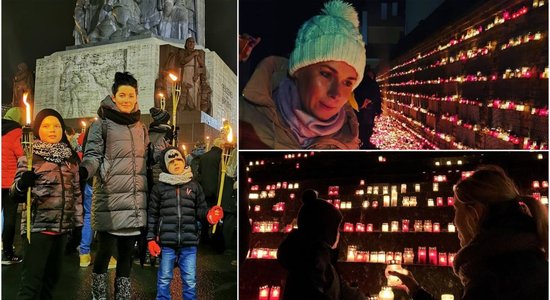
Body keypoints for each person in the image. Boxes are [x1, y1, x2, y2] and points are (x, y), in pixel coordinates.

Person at [390, 165, 549, 300]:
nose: (454, 221)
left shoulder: (489, 279)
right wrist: (415, 290)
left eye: (456, 210)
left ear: (475, 213)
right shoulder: (527, 259)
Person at [239, 0, 365, 149]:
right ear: (298, 70)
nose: (336, 94)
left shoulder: (349, 141)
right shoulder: (243, 118)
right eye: (326, 74)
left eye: (348, 82)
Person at [80, 71, 149, 299]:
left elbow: (147, 159)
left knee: (127, 256)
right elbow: (92, 155)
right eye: (122, 94)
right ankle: (98, 295)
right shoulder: (102, 125)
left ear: (136, 96)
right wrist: (85, 170)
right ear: (114, 96)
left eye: (131, 95)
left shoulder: (141, 127)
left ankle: (123, 296)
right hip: (110, 198)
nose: (127, 99)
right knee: (103, 254)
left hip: (133, 201)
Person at [10, 109, 83, 300]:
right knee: (31, 285)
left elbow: (76, 193)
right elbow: (14, 193)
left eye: (57, 125)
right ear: (37, 130)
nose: (52, 129)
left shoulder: (70, 159)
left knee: (51, 282)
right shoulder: (29, 157)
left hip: (61, 231)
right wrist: (22, 184)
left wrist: (78, 226)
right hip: (37, 230)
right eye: (46, 125)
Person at [147, 147, 223, 300]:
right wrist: (150, 239)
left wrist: (209, 215)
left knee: (189, 281)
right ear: (165, 166)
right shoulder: (159, 188)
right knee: (164, 279)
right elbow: (153, 215)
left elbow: (200, 209)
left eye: (179, 160)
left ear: (184, 161)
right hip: (166, 243)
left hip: (189, 242)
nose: (176, 163)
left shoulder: (193, 186)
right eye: (172, 161)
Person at [277, 189, 366, 299]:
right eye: (337, 229)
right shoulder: (314, 263)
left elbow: (341, 289)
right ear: (327, 231)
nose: (339, 234)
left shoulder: (319, 258)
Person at [1, 107, 25, 265]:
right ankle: (7, 253)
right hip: (9, 182)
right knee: (10, 218)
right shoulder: (17, 133)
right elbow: (22, 155)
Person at [354, 66, 381, 149]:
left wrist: (360, 104)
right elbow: (377, 97)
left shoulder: (358, 83)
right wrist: (378, 109)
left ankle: (360, 142)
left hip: (360, 109)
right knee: (367, 126)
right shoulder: (373, 84)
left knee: (360, 126)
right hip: (369, 110)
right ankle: (365, 143)